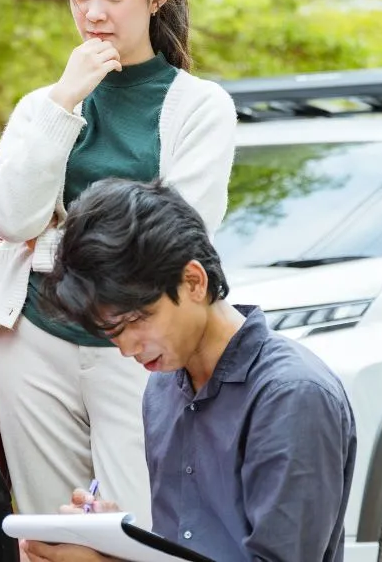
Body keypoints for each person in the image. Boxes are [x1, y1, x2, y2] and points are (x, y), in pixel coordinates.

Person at [0, 0, 236, 526]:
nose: (93, 13)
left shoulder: (200, 107)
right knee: (51, 526)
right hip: (35, 338)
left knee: (143, 524)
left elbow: (176, 231)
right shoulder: (45, 106)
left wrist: (56, 231)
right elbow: (10, 217)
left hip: (142, 349)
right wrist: (66, 100)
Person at [20, 178, 357, 562]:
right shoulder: (163, 389)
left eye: (137, 320)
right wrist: (119, 542)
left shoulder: (293, 396)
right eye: (112, 333)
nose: (128, 348)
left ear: (194, 281)